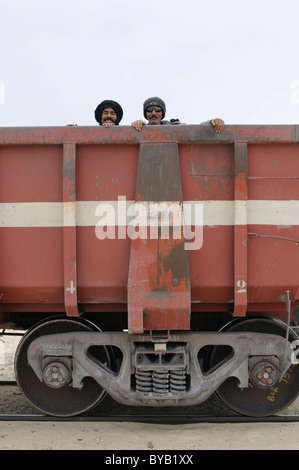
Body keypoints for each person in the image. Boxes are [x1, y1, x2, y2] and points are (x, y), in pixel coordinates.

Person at [131, 96, 225, 132]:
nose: (153, 113)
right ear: (145, 114)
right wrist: (135, 127)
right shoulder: (140, 128)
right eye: (149, 110)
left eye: (158, 109)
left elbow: (194, 130)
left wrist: (213, 122)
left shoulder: (174, 127)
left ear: (162, 113)